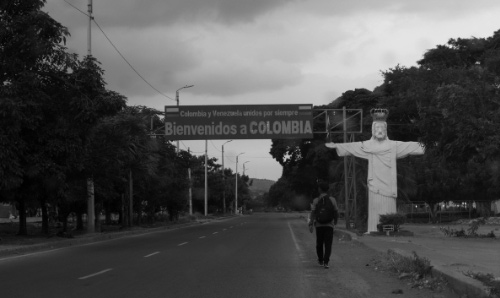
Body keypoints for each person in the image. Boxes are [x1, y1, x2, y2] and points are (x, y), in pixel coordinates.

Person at [325, 108, 424, 233]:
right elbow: (352, 146)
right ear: (373, 130)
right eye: (377, 128)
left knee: (388, 208)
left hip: (389, 185)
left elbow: (410, 146)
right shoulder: (368, 146)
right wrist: (337, 146)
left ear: (386, 130)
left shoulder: (394, 146)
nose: (380, 130)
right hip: (374, 185)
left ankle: (390, 229)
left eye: (382, 128)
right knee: (375, 208)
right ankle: (373, 229)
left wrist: (427, 145)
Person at [308, 181, 339, 269]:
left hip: (319, 225)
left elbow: (313, 213)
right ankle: (326, 262)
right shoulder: (332, 200)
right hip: (329, 225)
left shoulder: (316, 200)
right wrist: (335, 222)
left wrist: (311, 223)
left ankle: (320, 260)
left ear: (320, 189)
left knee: (319, 243)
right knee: (328, 244)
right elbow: (336, 212)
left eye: (318, 188)